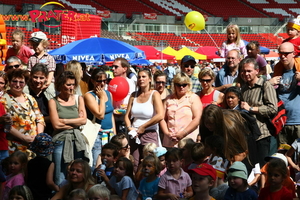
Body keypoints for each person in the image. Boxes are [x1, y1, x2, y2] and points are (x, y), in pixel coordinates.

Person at [49, 71, 88, 185]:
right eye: (68, 84)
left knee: (79, 175)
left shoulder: (78, 99)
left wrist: (64, 121)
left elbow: (84, 120)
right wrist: (76, 122)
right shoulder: (53, 101)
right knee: (60, 176)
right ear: (61, 85)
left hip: (77, 140)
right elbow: (56, 125)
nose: (71, 88)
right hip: (60, 140)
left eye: (73, 85)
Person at [240, 58, 278, 167]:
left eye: (249, 71)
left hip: (263, 134)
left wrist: (251, 108)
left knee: (263, 168)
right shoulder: (244, 88)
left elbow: (272, 109)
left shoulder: (265, 86)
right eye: (244, 71)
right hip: (249, 135)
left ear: (257, 71)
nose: (246, 74)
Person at [125, 69, 164, 171]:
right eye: (139, 77)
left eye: (143, 77)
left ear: (150, 79)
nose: (141, 79)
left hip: (149, 133)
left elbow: (160, 115)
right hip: (135, 134)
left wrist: (144, 126)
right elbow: (127, 115)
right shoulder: (134, 95)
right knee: (135, 164)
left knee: (149, 164)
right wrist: (129, 128)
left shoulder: (154, 94)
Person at [0, 69, 44, 153]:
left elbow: (40, 119)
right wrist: (23, 138)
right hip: (14, 148)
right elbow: (5, 124)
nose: (17, 85)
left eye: (21, 82)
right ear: (9, 82)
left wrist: (38, 137)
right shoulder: (3, 100)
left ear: (25, 83)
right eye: (14, 81)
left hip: (33, 146)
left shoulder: (30, 99)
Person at [84, 69, 115, 169]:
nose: (102, 83)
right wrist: (101, 98)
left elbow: (111, 114)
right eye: (99, 81)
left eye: (104, 81)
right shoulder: (89, 96)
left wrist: (114, 132)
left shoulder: (109, 94)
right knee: (96, 164)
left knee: (110, 164)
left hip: (109, 134)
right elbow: (100, 115)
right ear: (93, 81)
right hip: (97, 135)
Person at [160, 72, 202, 147]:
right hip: (170, 140)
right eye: (178, 85)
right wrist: (167, 133)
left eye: (184, 85)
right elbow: (162, 118)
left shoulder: (194, 98)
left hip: (187, 140)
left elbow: (197, 118)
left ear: (188, 85)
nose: (181, 87)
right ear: (174, 85)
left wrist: (182, 134)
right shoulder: (168, 99)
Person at [270, 42, 300, 145]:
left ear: (293, 53)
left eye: (286, 53)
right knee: (282, 156)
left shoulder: (298, 68)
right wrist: (269, 84)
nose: (282, 56)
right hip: (281, 122)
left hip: (298, 121)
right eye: (280, 53)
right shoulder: (278, 69)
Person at [27, 133, 59, 200]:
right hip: (43, 195)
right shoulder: (50, 164)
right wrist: (57, 188)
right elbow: (49, 182)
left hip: (30, 194)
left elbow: (26, 177)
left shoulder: (30, 162)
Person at [27, 63, 55, 135]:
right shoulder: (25, 91)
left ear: (46, 78)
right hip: (30, 130)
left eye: (41, 78)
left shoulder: (51, 91)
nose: (38, 81)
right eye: (35, 77)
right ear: (31, 76)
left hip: (50, 130)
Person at [112, 58, 136, 134]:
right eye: (112, 67)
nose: (113, 69)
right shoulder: (111, 83)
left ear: (124, 69)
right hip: (113, 120)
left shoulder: (131, 83)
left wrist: (129, 106)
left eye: (116, 67)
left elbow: (135, 101)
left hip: (126, 120)